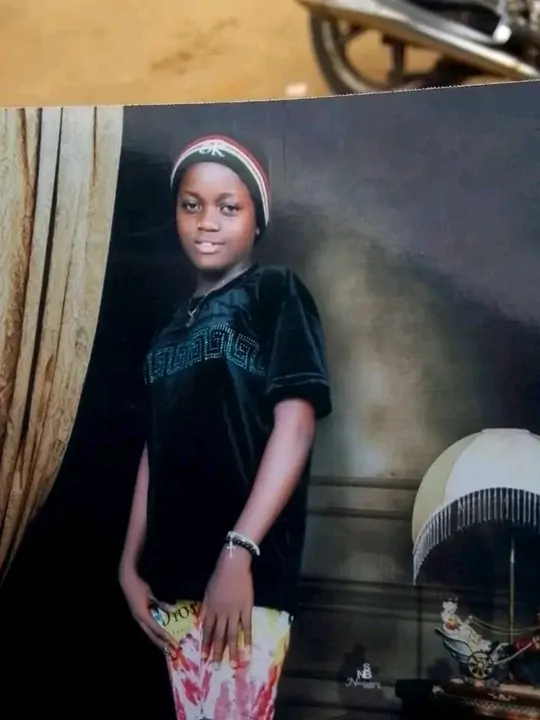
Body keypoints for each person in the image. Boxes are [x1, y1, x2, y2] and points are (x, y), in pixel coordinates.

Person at [119, 134, 332, 720]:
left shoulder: (275, 292)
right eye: (191, 205)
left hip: (242, 582)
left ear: (256, 219)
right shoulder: (168, 329)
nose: (206, 222)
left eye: (228, 207)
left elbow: (297, 423)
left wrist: (238, 553)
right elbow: (154, 448)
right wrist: (128, 566)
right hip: (167, 585)